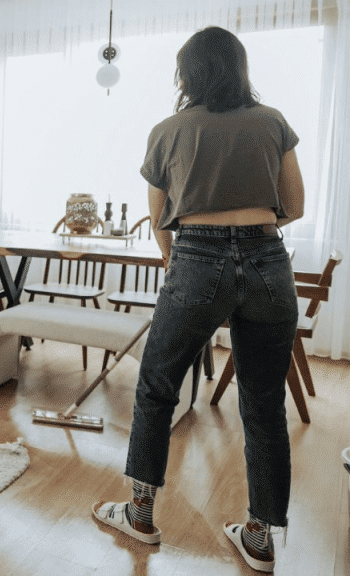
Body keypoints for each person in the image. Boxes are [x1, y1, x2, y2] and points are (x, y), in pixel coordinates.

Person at [91, 26, 304, 573]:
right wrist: (247, 227)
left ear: (187, 74)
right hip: (268, 261)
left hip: (196, 258)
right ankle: (259, 537)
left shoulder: (168, 130)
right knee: (263, 404)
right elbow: (294, 206)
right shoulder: (272, 122)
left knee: (158, 386)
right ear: (240, 67)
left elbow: (163, 221)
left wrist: (188, 261)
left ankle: (139, 514)